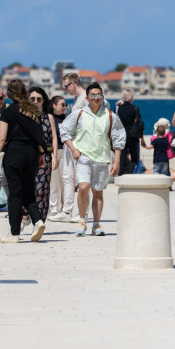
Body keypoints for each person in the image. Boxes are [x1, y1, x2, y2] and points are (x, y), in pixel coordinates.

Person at [60, 82, 126, 236]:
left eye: (98, 95)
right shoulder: (79, 114)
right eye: (92, 95)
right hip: (83, 157)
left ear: (102, 97)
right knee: (83, 187)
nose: (96, 98)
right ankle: (82, 219)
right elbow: (64, 130)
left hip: (102, 158)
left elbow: (119, 138)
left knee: (98, 192)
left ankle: (96, 225)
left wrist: (116, 161)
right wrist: (73, 149)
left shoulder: (110, 115)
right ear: (87, 97)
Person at [0, 79, 48, 243]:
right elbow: (39, 136)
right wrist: (41, 155)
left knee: (15, 194)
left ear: (9, 94)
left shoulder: (8, 112)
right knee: (28, 191)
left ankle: (14, 234)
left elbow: (2, 137)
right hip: (31, 154)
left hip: (14, 154)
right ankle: (37, 221)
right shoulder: (32, 110)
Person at [59, 72, 87, 223]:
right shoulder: (77, 99)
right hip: (71, 142)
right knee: (67, 176)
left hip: (80, 143)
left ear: (73, 83)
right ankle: (67, 210)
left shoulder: (84, 99)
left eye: (66, 86)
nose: (65, 89)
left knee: (82, 179)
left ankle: (83, 212)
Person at [29, 86, 58, 223]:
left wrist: (55, 157)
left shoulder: (49, 117)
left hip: (45, 158)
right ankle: (25, 216)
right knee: (28, 188)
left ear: (43, 101)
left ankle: (40, 221)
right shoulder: (25, 116)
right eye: (32, 99)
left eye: (38, 99)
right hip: (28, 157)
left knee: (42, 189)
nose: (36, 102)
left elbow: (54, 138)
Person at [115, 89, 148, 174]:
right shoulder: (135, 108)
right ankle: (133, 175)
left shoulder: (117, 108)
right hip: (133, 137)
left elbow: (114, 124)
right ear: (131, 98)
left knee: (121, 159)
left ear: (122, 97)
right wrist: (142, 139)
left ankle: (121, 177)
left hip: (120, 137)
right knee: (135, 159)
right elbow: (140, 125)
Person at [47, 96, 67, 221]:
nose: (64, 107)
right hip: (53, 152)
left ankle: (65, 208)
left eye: (65, 105)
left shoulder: (67, 118)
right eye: (62, 104)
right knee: (54, 183)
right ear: (54, 105)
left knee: (65, 181)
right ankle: (54, 209)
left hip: (65, 151)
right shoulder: (49, 118)